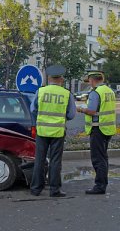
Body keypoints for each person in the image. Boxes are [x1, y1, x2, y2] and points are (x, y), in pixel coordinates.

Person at [30, 65, 76, 197]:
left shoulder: (41, 91)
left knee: (39, 159)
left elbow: (33, 109)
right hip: (58, 132)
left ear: (49, 78)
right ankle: (54, 190)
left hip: (42, 131)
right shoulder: (66, 94)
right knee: (55, 161)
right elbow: (71, 114)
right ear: (61, 79)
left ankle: (35, 189)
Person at [77, 71, 116, 195]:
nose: (89, 83)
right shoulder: (109, 91)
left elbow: (92, 111)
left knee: (98, 158)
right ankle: (102, 184)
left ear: (92, 80)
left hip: (98, 129)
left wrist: (81, 109)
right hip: (107, 128)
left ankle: (100, 186)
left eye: (89, 81)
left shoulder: (95, 92)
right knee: (103, 157)